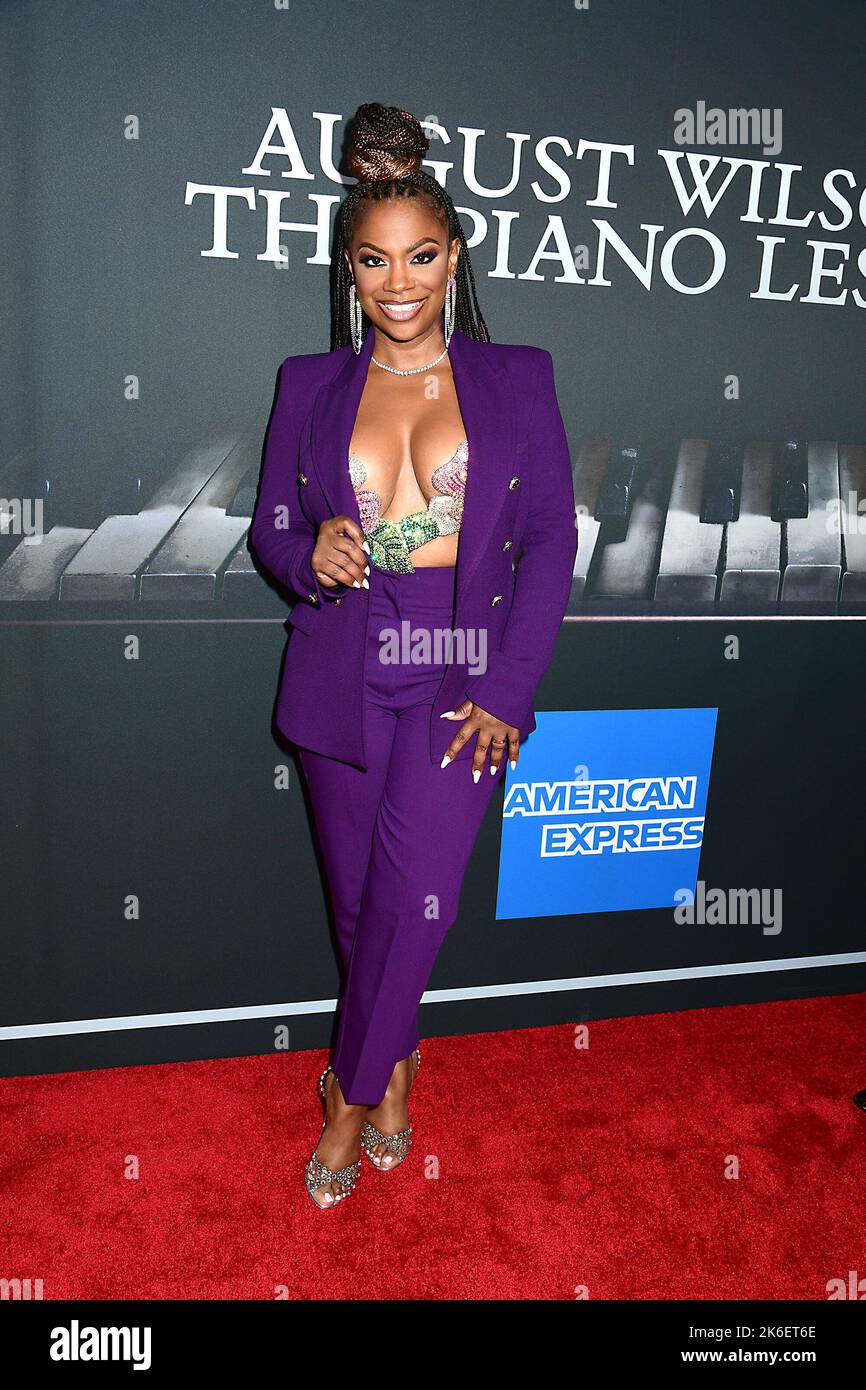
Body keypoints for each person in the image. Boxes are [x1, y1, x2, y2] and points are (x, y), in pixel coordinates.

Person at [250, 102, 578, 1208]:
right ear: (348, 269)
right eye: (374, 260)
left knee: (412, 898)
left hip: (456, 674)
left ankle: (346, 1101)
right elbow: (270, 529)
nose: (400, 282)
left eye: (422, 256)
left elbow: (548, 542)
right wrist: (312, 552)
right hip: (343, 670)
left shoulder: (515, 377)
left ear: (453, 258)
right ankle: (395, 1066)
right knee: (359, 910)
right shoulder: (307, 384)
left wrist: (508, 688)